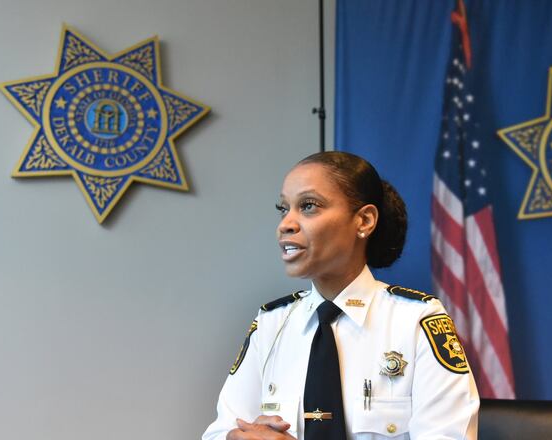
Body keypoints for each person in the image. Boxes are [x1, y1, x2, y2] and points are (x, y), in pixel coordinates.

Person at [203, 152, 479, 439]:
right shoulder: (271, 324)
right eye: (283, 208)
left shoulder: (418, 321)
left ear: (364, 221)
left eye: (308, 206)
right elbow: (219, 431)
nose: (285, 224)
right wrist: (237, 437)